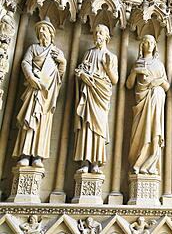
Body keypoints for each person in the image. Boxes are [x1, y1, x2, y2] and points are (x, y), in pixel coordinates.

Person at [13, 17, 66, 168]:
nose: (42, 32)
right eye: (40, 30)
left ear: (51, 33)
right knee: (29, 120)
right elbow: (25, 63)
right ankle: (24, 154)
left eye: (44, 29)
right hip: (33, 89)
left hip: (47, 94)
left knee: (43, 123)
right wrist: (30, 77)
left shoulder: (56, 52)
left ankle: (38, 155)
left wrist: (63, 62)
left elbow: (59, 75)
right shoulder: (33, 49)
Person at [74, 24, 118, 174]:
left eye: (101, 33)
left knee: (99, 129)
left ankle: (95, 163)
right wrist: (83, 76)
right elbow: (79, 70)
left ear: (106, 36)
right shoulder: (89, 53)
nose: (97, 35)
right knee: (86, 125)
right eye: (96, 33)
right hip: (89, 93)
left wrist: (107, 68)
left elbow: (115, 80)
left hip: (102, 94)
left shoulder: (112, 57)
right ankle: (85, 161)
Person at [126, 35, 169, 175]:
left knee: (154, 129)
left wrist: (157, 82)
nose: (149, 45)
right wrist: (135, 71)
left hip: (156, 100)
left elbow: (167, 86)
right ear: (142, 45)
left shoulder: (159, 64)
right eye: (146, 42)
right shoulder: (137, 63)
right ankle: (138, 162)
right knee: (140, 133)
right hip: (141, 102)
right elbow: (129, 85)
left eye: (152, 42)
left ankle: (150, 163)